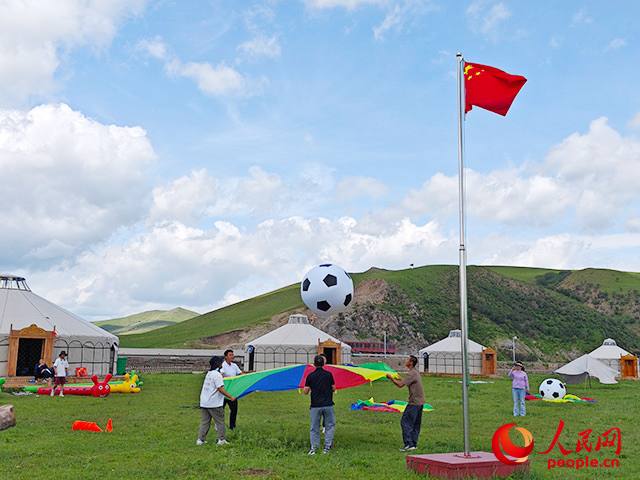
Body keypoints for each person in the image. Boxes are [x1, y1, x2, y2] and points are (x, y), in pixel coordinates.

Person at [387, 355, 426, 451]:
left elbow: (400, 385)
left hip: (414, 403)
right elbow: (406, 381)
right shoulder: (415, 372)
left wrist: (391, 378)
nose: (405, 360)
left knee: (405, 422)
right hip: (420, 402)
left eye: (407, 359)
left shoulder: (411, 374)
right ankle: (413, 444)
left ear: (411, 363)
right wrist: (399, 377)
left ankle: (408, 444)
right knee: (415, 424)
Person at [197, 356, 236, 446]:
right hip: (214, 403)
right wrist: (230, 397)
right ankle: (221, 440)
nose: (222, 363)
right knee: (220, 421)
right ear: (218, 364)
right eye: (221, 362)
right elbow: (220, 388)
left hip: (205, 402)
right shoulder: (217, 375)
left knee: (205, 421)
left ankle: (200, 440)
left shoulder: (209, 373)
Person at [303, 354, 336, 455]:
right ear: (324, 364)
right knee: (330, 426)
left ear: (314, 364)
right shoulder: (329, 375)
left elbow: (305, 391)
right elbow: (334, 389)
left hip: (315, 405)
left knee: (314, 428)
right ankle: (327, 448)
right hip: (328, 404)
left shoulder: (310, 376)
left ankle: (314, 448)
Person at [220, 349, 242, 430]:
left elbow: (241, 374)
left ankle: (232, 426)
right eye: (230, 355)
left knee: (234, 410)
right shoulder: (222, 365)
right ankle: (218, 425)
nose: (232, 356)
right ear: (226, 357)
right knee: (220, 410)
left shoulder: (234, 366)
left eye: (232, 355)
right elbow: (222, 375)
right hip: (224, 391)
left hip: (233, 391)